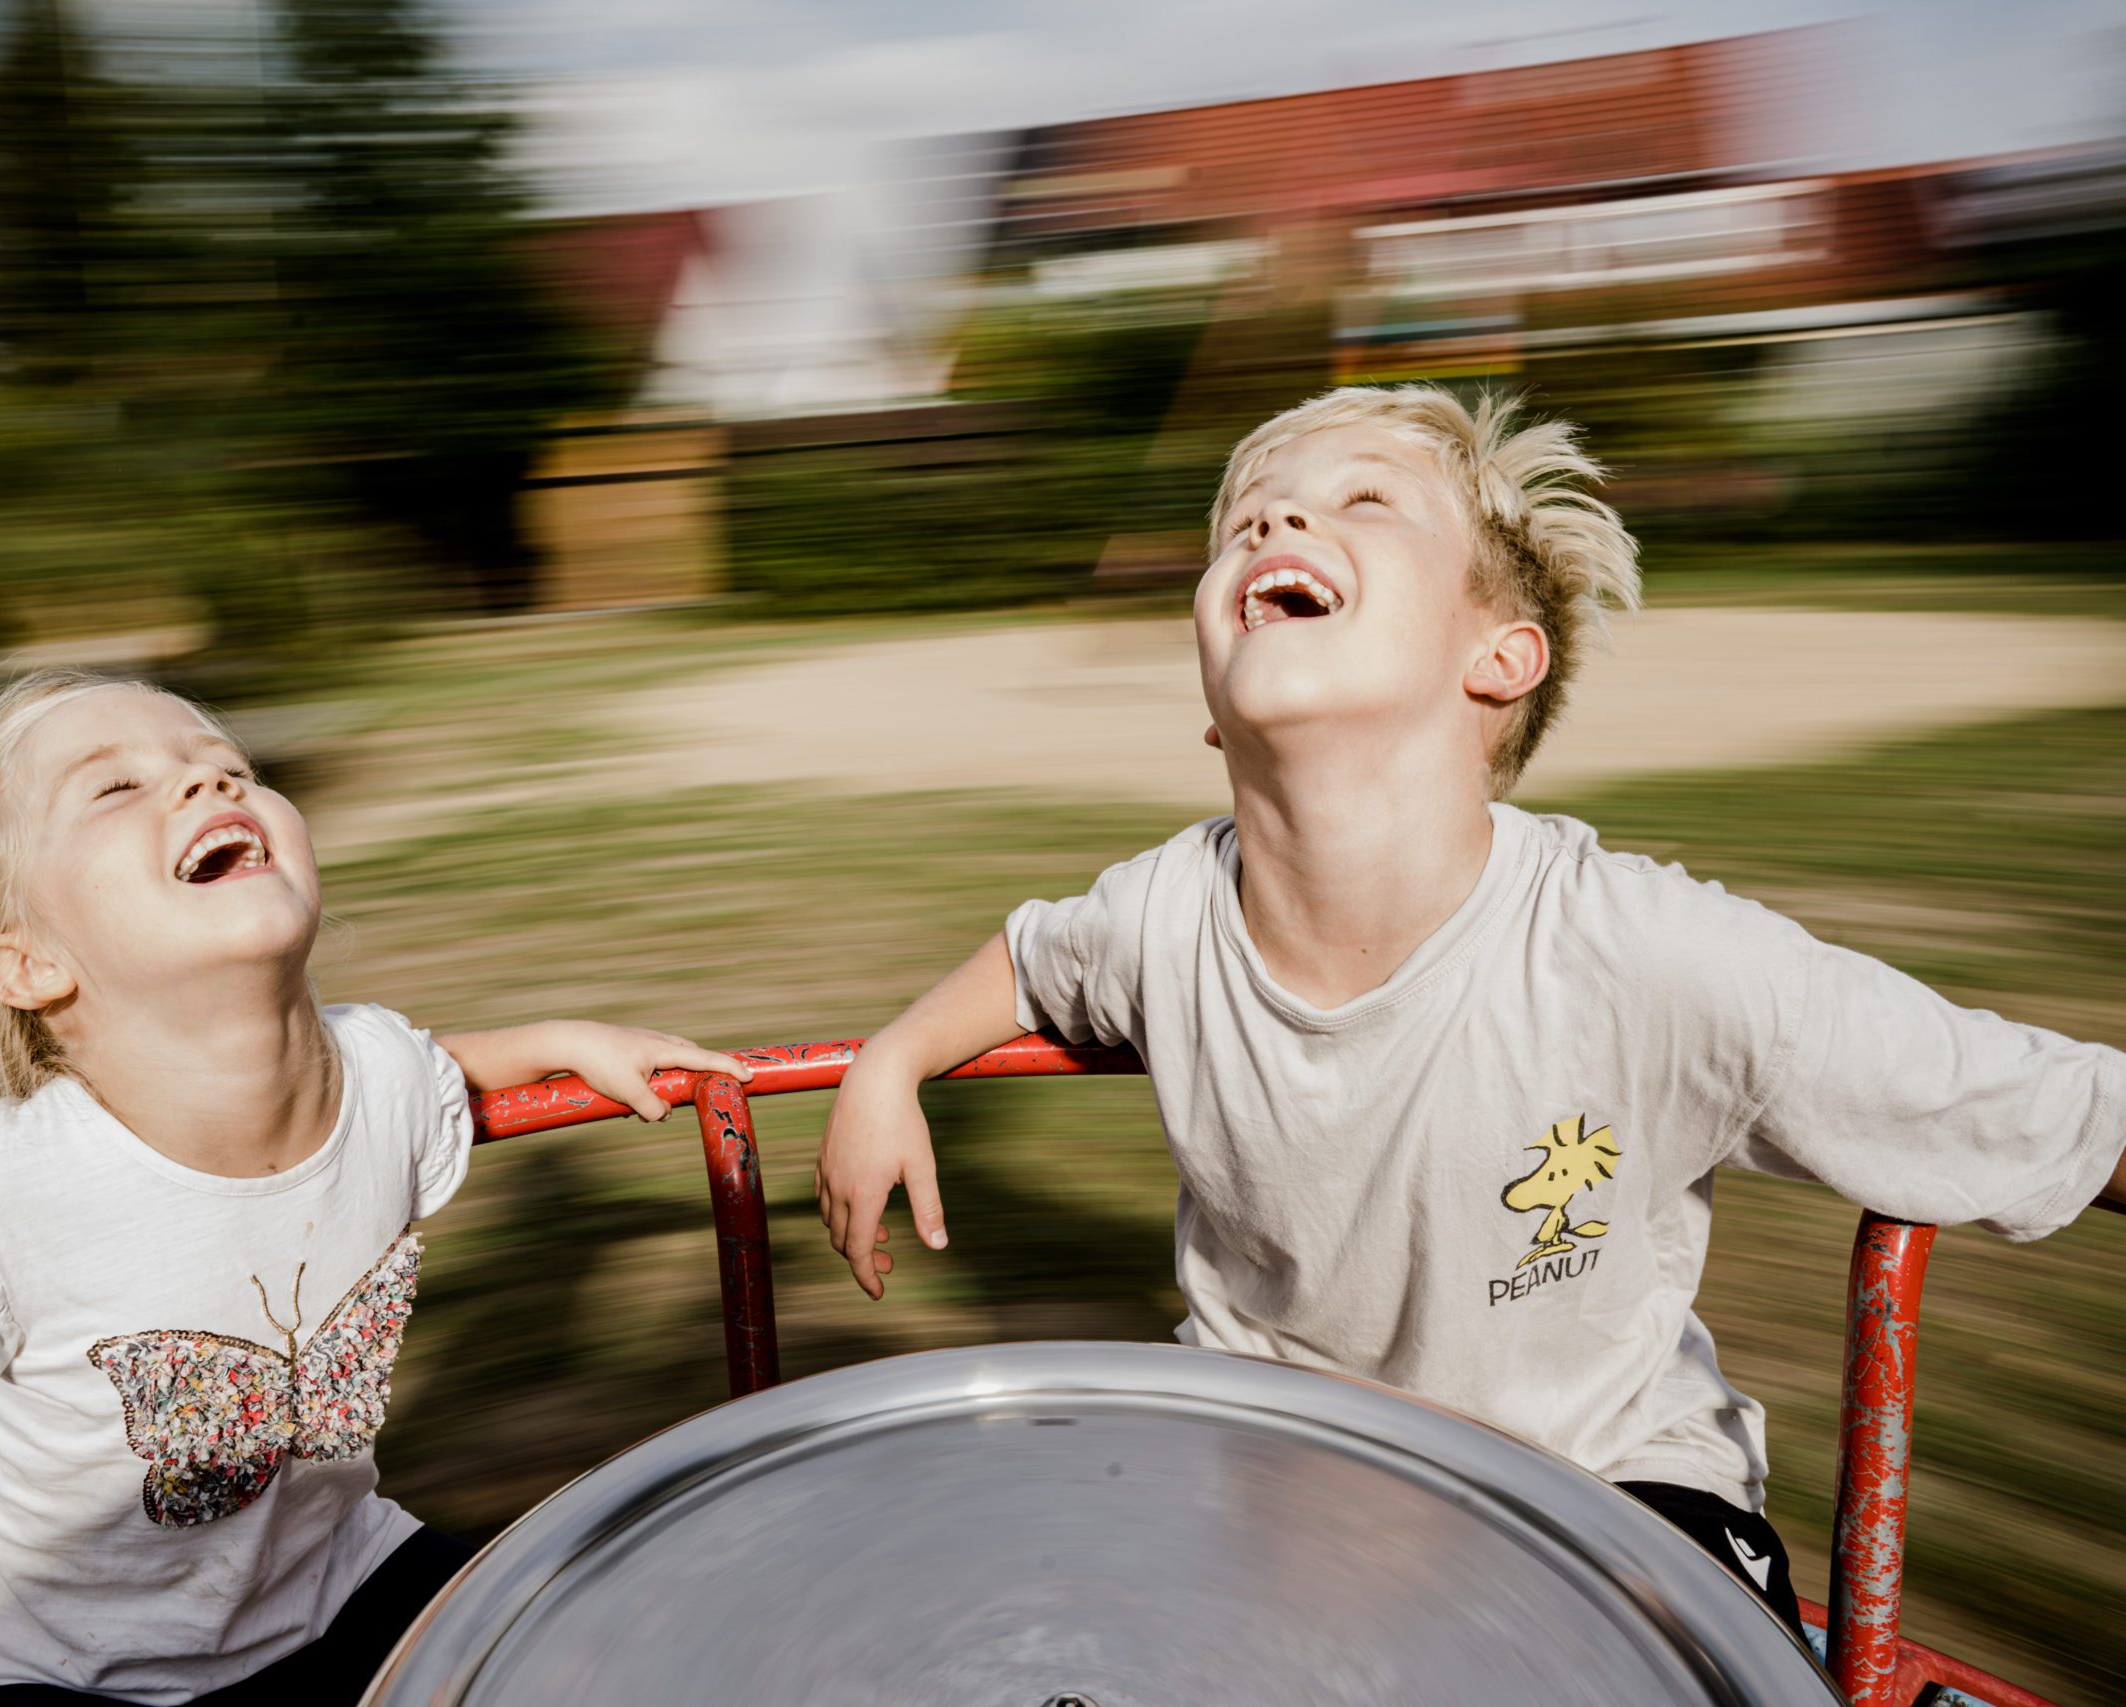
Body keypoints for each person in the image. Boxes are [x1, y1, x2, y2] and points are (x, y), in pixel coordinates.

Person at [813, 384, 2126, 1628]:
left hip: (1611, 1490)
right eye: (1244, 521)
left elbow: (2012, 1096)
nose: (1273, 522)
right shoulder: (1164, 909)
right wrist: (891, 1062)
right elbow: (1038, 959)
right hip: (1283, 1460)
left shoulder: (1647, 953)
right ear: (1212, 708)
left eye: (1364, 500)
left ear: (1498, 658)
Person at [0, 669, 751, 1705]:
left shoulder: (384, 1074)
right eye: (116, 787)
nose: (206, 785)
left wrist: (560, 1035)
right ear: (29, 964)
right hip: (69, 1672)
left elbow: (440, 1068)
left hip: (334, 1579)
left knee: (604, 1652)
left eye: (225, 765)